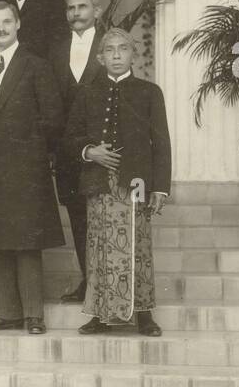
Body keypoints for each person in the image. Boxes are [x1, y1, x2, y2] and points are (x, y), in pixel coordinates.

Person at [0, 2, 65, 335]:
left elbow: (53, 119)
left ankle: (33, 314)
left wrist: (28, 153)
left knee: (25, 242)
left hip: (24, 169)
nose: (1, 28)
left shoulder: (36, 65)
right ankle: (7, 312)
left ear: (17, 24)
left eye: (7, 22)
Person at [63, 27, 170, 337]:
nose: (117, 55)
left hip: (135, 182)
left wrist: (160, 187)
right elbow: (70, 138)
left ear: (133, 54)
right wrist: (89, 151)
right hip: (98, 182)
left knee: (138, 246)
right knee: (99, 248)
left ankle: (145, 315)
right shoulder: (87, 92)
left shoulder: (150, 92)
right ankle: (99, 314)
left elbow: (161, 142)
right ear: (100, 57)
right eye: (110, 50)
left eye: (123, 49)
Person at [49, 0, 107, 302]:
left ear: (96, 11)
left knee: (102, 217)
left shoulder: (110, 46)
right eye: (71, 8)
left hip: (102, 149)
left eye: (82, 7)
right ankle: (88, 281)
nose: (76, 13)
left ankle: (105, 283)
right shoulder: (57, 50)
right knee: (78, 218)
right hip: (68, 150)